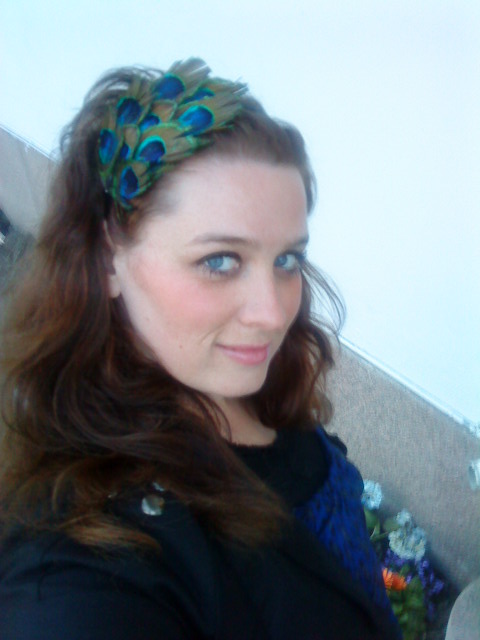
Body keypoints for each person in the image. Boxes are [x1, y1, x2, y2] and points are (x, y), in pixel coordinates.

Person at [0, 59, 402, 639]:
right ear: (109, 258)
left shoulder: (243, 378)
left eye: (286, 258)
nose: (274, 313)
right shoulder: (79, 573)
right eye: (218, 261)